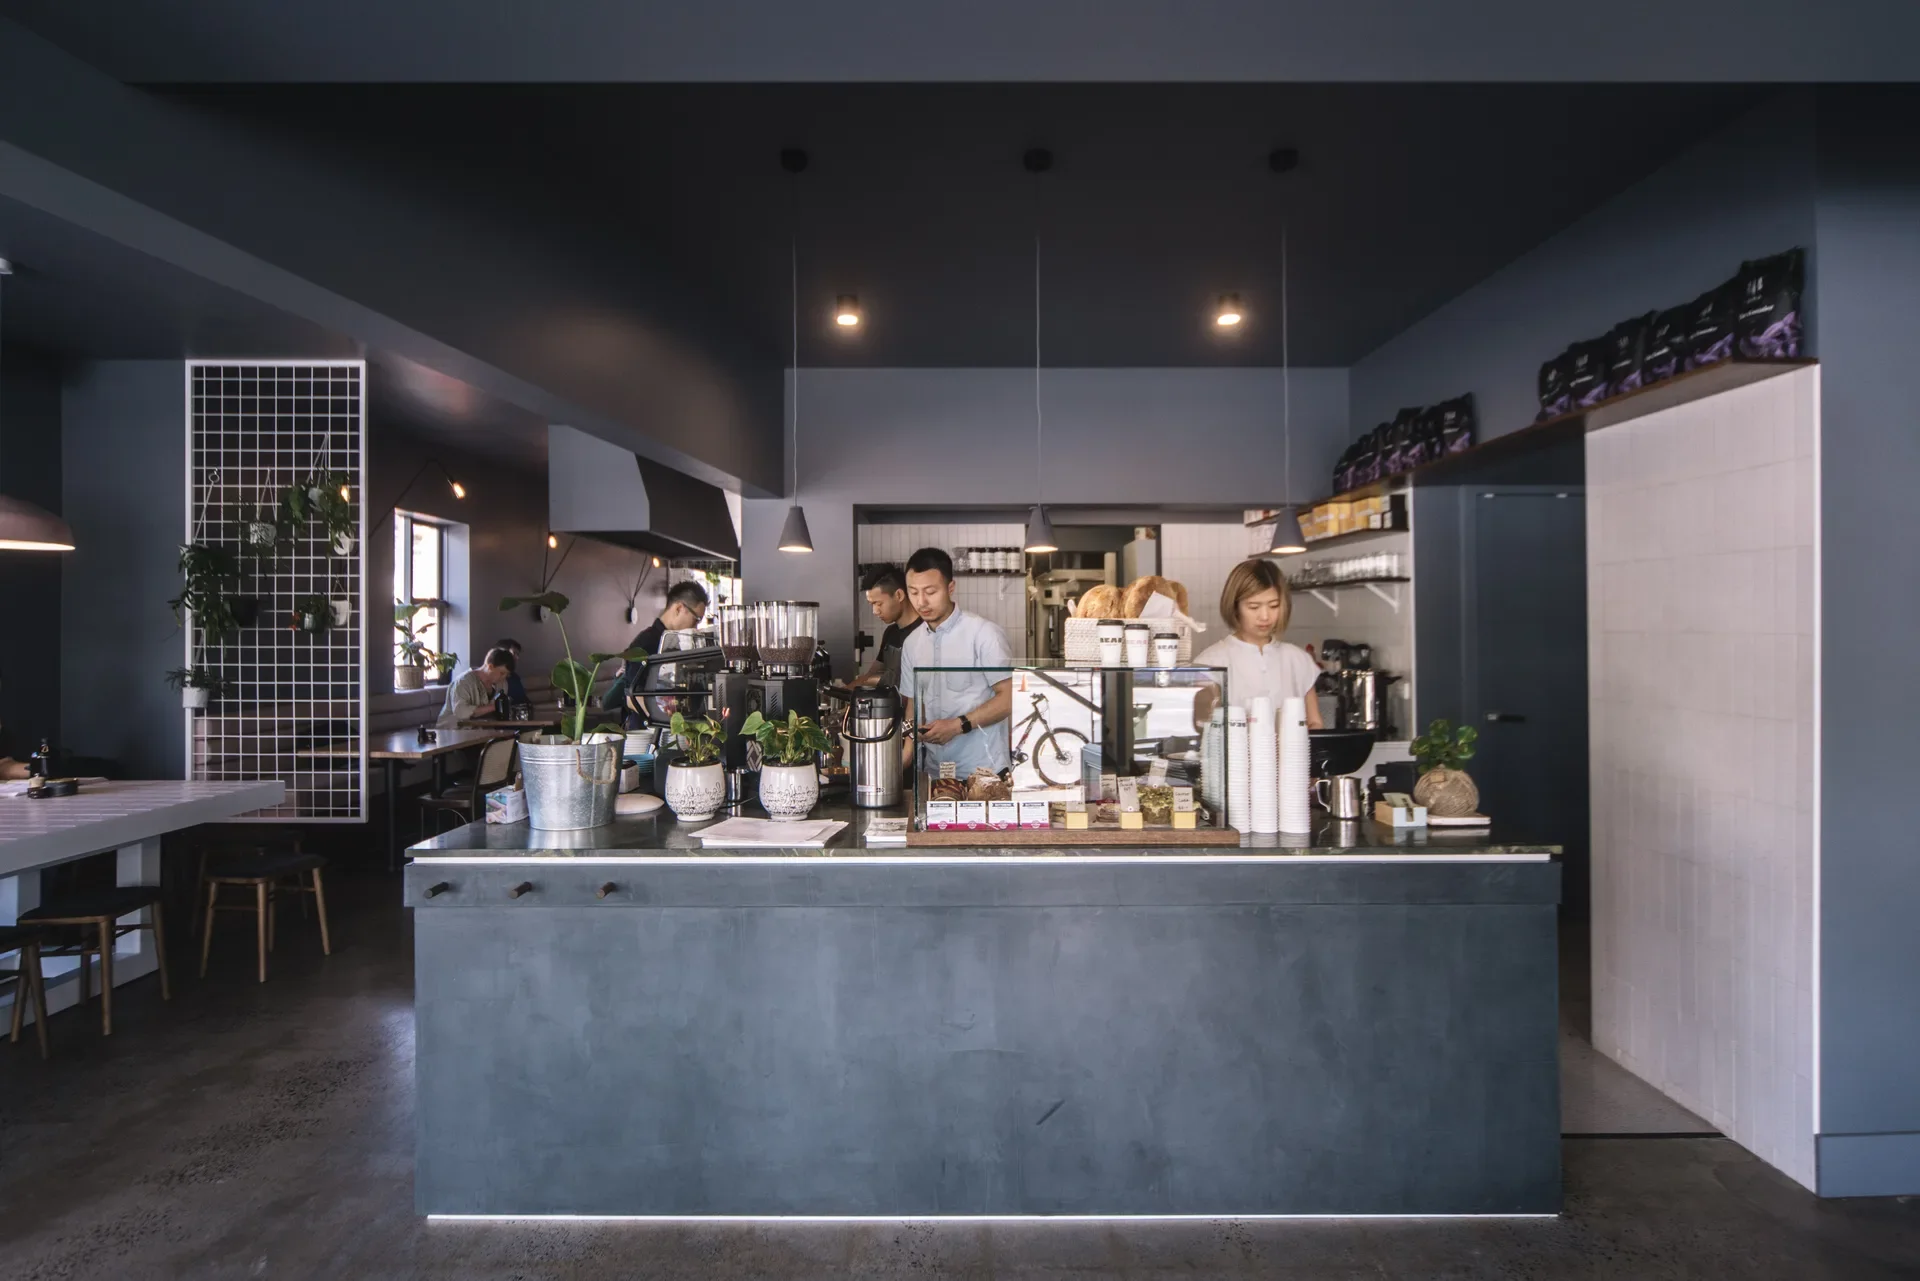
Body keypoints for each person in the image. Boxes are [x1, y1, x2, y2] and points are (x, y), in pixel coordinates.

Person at [897, 547, 1014, 775]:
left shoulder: (984, 633)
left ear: (950, 588)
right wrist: (906, 756)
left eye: (930, 592)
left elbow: (1009, 699)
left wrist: (958, 725)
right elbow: (913, 705)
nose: (921, 602)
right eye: (913, 592)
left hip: (983, 772)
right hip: (933, 772)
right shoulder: (912, 643)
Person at [1193, 558, 1324, 729]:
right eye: (1254, 607)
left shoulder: (1298, 659)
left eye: (1274, 606)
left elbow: (1315, 723)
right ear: (1235, 607)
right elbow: (1204, 730)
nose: (1265, 616)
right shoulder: (1211, 662)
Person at [601, 580, 710, 710]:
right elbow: (632, 697)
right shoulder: (645, 643)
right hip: (647, 728)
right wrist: (666, 722)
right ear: (679, 608)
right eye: (696, 619)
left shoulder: (680, 644)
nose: (696, 627)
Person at [850, 564, 921, 690]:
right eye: (871, 604)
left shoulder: (926, 633)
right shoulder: (890, 632)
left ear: (899, 595)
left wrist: (874, 680)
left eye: (878, 604)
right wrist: (842, 692)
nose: (875, 611)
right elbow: (873, 674)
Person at [438, 647, 516, 727]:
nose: (504, 677)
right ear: (490, 667)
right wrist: (494, 706)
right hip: (454, 732)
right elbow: (461, 712)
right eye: (502, 673)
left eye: (507, 674)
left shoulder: (502, 684)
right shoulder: (463, 682)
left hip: (483, 731)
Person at [493, 637, 530, 707]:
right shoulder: (493, 679)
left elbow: (523, 699)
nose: (517, 658)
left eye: (518, 654)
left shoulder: (515, 677)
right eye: (514, 653)